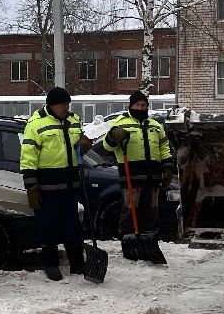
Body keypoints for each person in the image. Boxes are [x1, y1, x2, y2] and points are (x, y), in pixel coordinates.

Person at [20, 87, 94, 281]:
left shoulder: (73, 121)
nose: (66, 107)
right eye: (63, 104)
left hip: (71, 185)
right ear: (52, 105)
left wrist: (85, 143)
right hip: (47, 187)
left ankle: (77, 264)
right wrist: (31, 186)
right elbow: (28, 157)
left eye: (68, 104)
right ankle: (51, 265)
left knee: (72, 227)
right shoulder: (36, 124)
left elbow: (80, 141)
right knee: (48, 227)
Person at [103, 90, 175, 237]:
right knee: (130, 211)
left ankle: (148, 240)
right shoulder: (120, 123)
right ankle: (129, 240)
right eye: (137, 105)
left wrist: (168, 167)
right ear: (131, 106)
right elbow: (107, 146)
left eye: (143, 105)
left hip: (153, 176)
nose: (140, 108)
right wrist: (114, 135)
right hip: (132, 176)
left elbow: (164, 147)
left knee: (151, 212)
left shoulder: (155, 125)